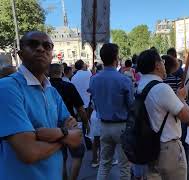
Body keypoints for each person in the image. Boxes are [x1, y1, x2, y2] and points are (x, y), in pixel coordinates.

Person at [0, 31, 81, 180]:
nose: (40, 49)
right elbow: (29, 152)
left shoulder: (52, 91)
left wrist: (58, 134)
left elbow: (77, 138)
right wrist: (64, 136)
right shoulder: (6, 88)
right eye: (33, 44)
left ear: (51, 55)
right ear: (20, 54)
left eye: (47, 46)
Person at [136, 49, 189, 179]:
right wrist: (180, 98)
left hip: (148, 145)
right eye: (162, 61)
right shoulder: (161, 88)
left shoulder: (140, 85)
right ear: (157, 65)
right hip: (167, 148)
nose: (164, 65)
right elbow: (186, 116)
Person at [89, 43, 134, 180]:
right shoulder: (124, 80)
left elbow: (94, 102)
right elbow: (131, 105)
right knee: (124, 166)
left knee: (104, 163)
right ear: (116, 58)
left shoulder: (94, 79)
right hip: (121, 126)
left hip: (104, 125)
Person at [49, 64, 89, 180]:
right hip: (70, 124)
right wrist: (86, 123)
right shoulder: (68, 86)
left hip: (53, 127)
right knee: (78, 154)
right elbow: (80, 107)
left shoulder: (45, 88)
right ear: (62, 72)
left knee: (61, 157)